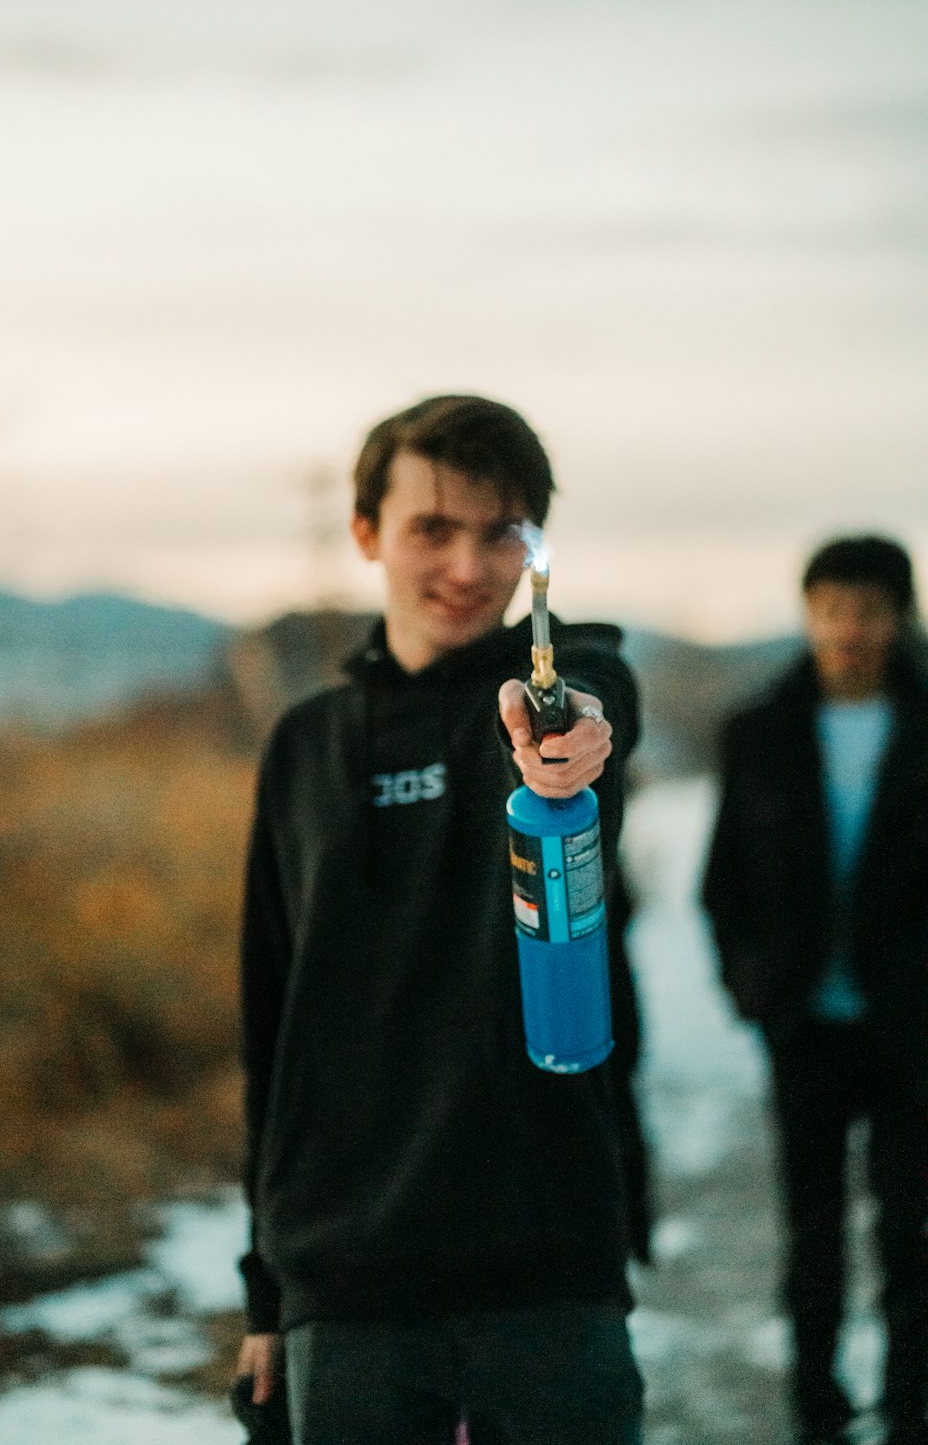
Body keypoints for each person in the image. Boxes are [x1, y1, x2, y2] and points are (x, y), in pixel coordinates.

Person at [234, 394, 644, 1445]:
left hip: (546, 1260)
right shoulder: (306, 748)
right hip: (345, 1277)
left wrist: (572, 738)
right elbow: (270, 1026)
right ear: (367, 532)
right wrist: (265, 1293)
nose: (467, 566)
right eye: (432, 528)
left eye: (500, 531)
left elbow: (591, 700)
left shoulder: (558, 689)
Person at [702, 535, 928, 1445]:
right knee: (813, 1235)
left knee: (911, 1235)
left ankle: (911, 1409)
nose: (849, 628)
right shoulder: (758, 729)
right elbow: (725, 883)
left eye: (868, 608)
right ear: (808, 614)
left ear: (899, 616)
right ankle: (816, 1411)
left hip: (913, 1026)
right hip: (803, 1025)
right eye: (832, 607)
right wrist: (753, 990)